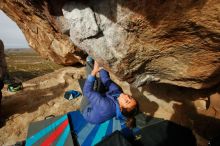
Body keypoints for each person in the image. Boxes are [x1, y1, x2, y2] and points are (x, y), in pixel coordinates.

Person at [80, 57, 138, 128]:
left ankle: (88, 61)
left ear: (120, 108)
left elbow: (87, 91)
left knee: (94, 83)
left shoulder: (105, 106)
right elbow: (105, 79)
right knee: (102, 82)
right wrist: (101, 63)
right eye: (130, 97)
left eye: (126, 101)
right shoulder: (118, 93)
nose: (126, 96)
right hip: (103, 102)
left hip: (87, 109)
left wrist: (94, 71)